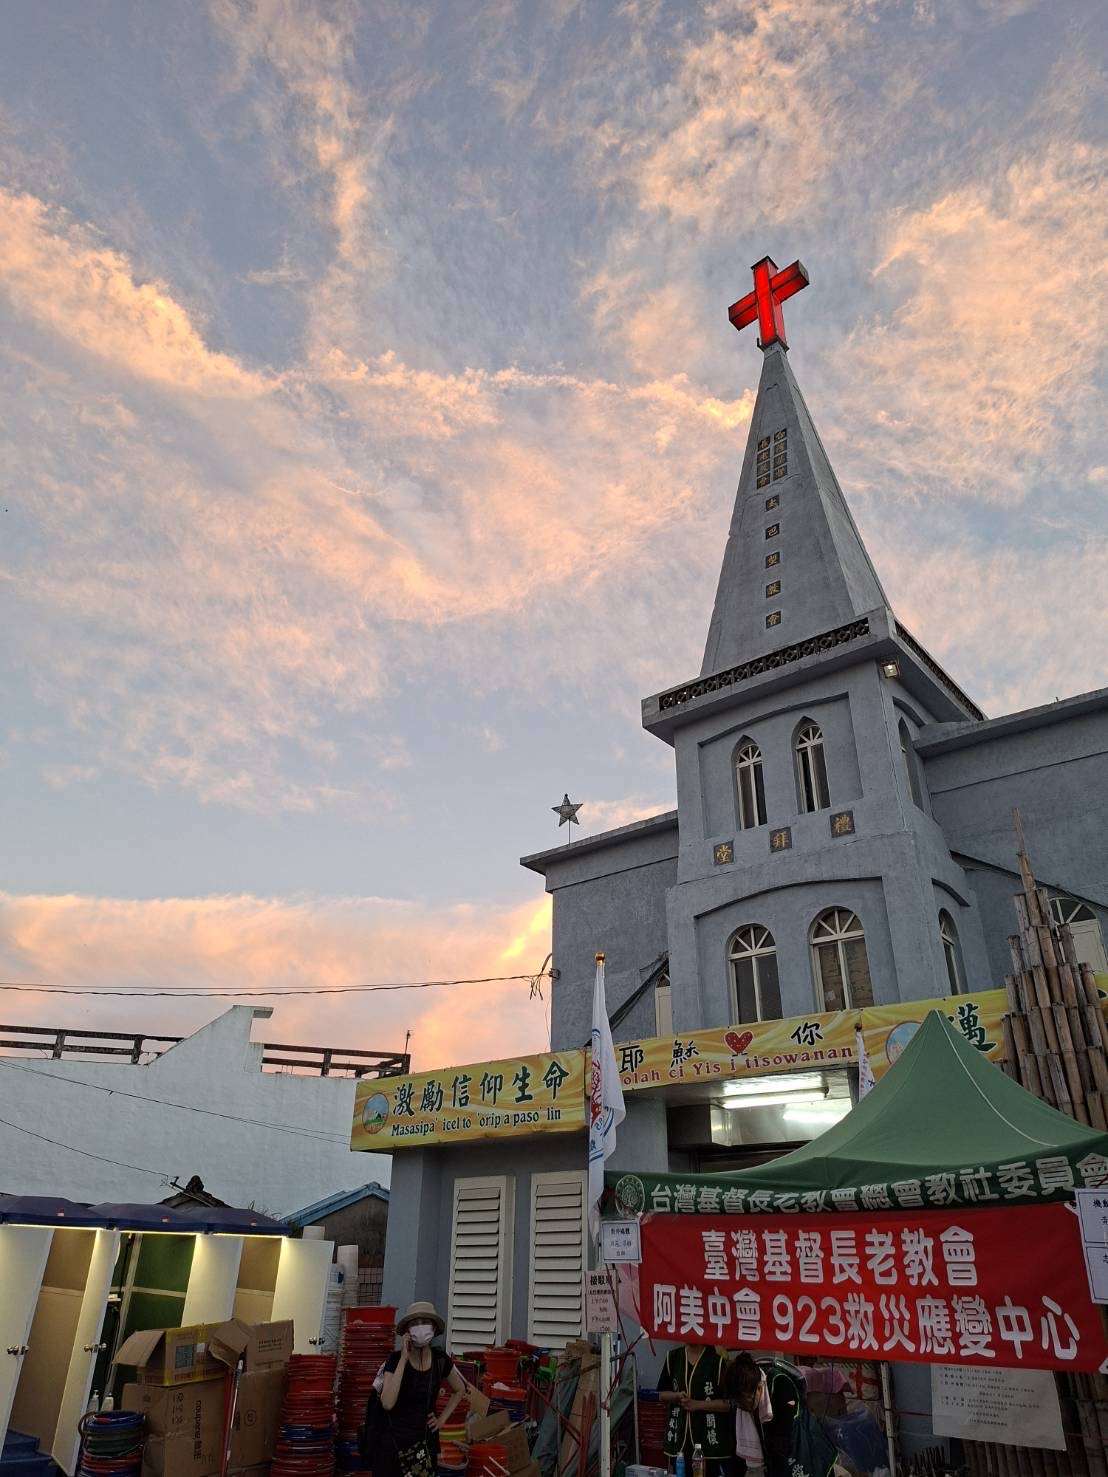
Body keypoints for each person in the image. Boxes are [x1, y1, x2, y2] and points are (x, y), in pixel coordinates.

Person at [368, 1301, 467, 1477]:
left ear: (434, 1328)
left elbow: (459, 1389)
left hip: (425, 1443)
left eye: (425, 1322)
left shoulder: (440, 1360)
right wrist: (404, 1358)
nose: (420, 1327)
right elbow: (388, 1403)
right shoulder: (395, 1360)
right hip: (394, 1445)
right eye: (414, 1323)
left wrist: (442, 1420)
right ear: (407, 1331)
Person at [657, 1341, 735, 1476]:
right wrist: (676, 1396)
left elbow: (728, 1404)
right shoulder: (673, 1357)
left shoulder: (717, 1360)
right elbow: (661, 1394)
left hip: (709, 1440)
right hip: (680, 1438)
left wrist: (697, 1404)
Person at [730, 1354, 772, 1477]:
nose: (742, 1406)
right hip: (752, 1469)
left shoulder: (778, 1388)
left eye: (746, 1399)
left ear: (759, 1388)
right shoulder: (738, 1408)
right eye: (738, 1402)